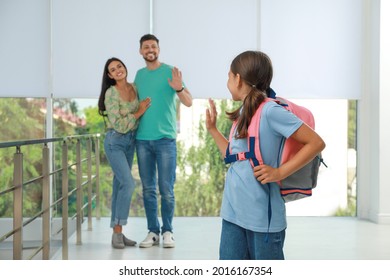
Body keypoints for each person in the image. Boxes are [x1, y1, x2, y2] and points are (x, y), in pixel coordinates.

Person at [205, 50, 325, 259]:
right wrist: (214, 130)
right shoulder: (244, 112)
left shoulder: (270, 111)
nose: (227, 82)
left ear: (238, 79)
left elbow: (316, 142)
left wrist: (279, 172)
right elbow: (236, 157)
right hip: (233, 214)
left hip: (263, 219)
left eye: (228, 76)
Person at [134, 34, 193, 248]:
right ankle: (153, 231)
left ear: (158, 49)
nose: (150, 49)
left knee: (166, 188)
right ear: (141, 51)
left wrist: (178, 87)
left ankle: (168, 231)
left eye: (153, 46)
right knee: (148, 189)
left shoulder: (170, 72)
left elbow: (188, 102)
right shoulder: (139, 76)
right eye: (146, 46)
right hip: (142, 140)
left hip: (165, 139)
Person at [98, 57, 151, 249]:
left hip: (130, 142)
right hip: (115, 142)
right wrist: (138, 112)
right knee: (128, 184)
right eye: (113, 69)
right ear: (110, 75)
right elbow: (119, 124)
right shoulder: (111, 94)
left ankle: (117, 234)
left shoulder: (134, 88)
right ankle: (118, 232)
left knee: (119, 186)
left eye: (119, 66)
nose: (118, 70)